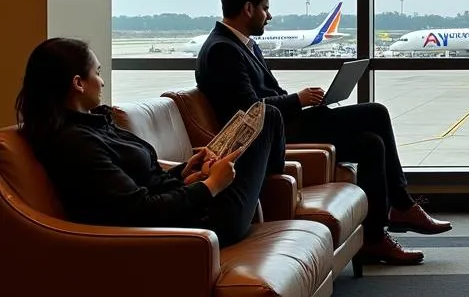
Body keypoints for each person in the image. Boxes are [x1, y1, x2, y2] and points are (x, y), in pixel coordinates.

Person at [195, 0, 451, 266]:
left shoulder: (243, 45)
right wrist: (298, 101)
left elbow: (267, 96)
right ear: (248, 8)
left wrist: (301, 102)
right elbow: (249, 111)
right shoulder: (222, 49)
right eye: (266, 8)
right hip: (269, 138)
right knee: (376, 112)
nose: (270, 15)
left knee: (371, 144)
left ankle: (374, 236)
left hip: (285, 123)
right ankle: (402, 205)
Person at [16, 38, 283, 248]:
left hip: (192, 212)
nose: (102, 81)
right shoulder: (76, 143)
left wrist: (185, 172)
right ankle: (275, 197)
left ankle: (268, 197)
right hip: (201, 227)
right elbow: (140, 210)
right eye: (97, 73)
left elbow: (144, 185)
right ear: (78, 83)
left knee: (255, 127)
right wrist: (210, 185)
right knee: (268, 116)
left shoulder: (93, 126)